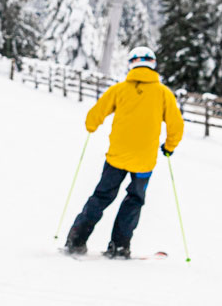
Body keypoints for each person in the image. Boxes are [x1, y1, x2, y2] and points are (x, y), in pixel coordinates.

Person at [63, 47, 186, 259]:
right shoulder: (164, 94)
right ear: (153, 65)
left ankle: (76, 239)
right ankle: (120, 246)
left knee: (102, 196)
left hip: (116, 157)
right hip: (144, 160)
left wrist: (92, 126)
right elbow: (176, 125)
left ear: (131, 64)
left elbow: (95, 114)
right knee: (135, 199)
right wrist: (169, 146)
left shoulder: (119, 90)